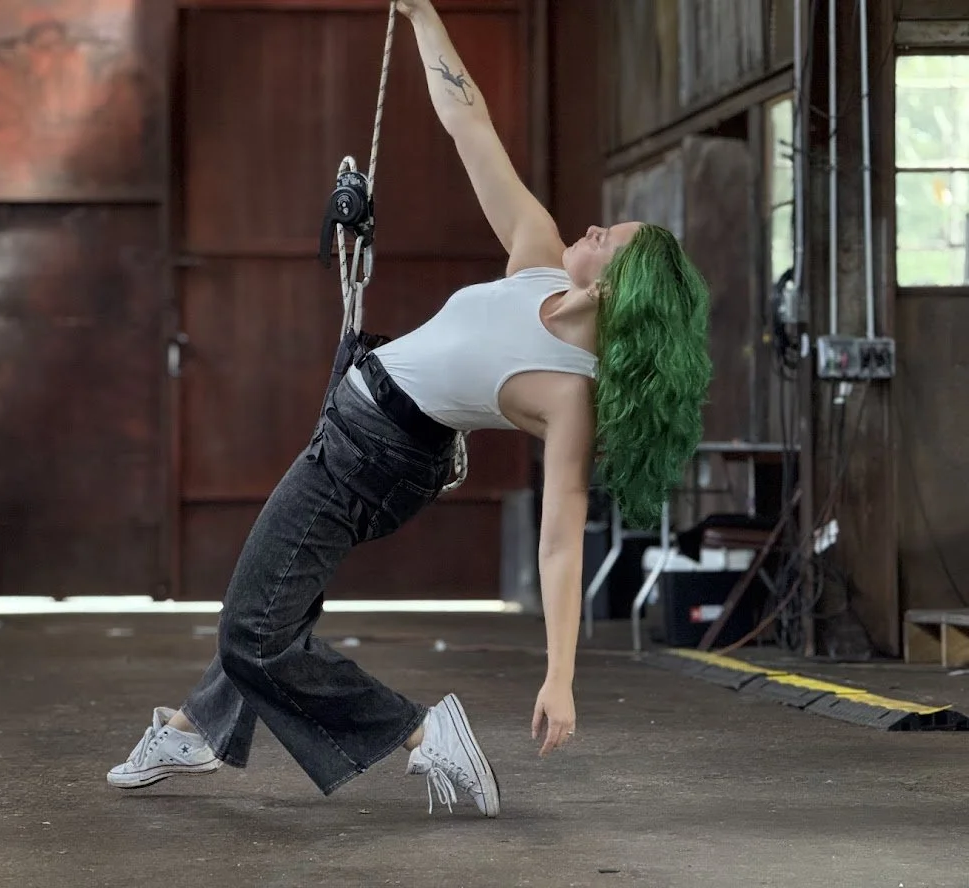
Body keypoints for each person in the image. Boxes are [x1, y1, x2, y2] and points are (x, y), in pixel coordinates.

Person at [105, 0, 712, 818]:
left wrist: (560, 676)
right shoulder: (537, 256)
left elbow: (563, 541)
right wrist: (424, 14)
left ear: (614, 288)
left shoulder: (568, 391)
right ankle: (193, 730)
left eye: (611, 238)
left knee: (252, 632)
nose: (595, 227)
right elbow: (470, 124)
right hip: (355, 418)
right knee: (277, 605)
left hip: (373, 459)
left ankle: (421, 734)